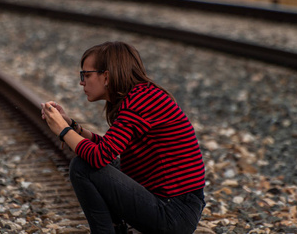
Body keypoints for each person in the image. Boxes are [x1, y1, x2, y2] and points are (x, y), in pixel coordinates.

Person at [41, 41, 205, 234]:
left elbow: (98, 156)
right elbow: (109, 149)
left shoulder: (141, 101)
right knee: (105, 163)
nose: (81, 82)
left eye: (86, 75)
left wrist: (62, 130)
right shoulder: (141, 95)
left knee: (82, 167)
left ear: (106, 76)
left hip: (173, 213)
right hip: (177, 205)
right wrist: (73, 127)